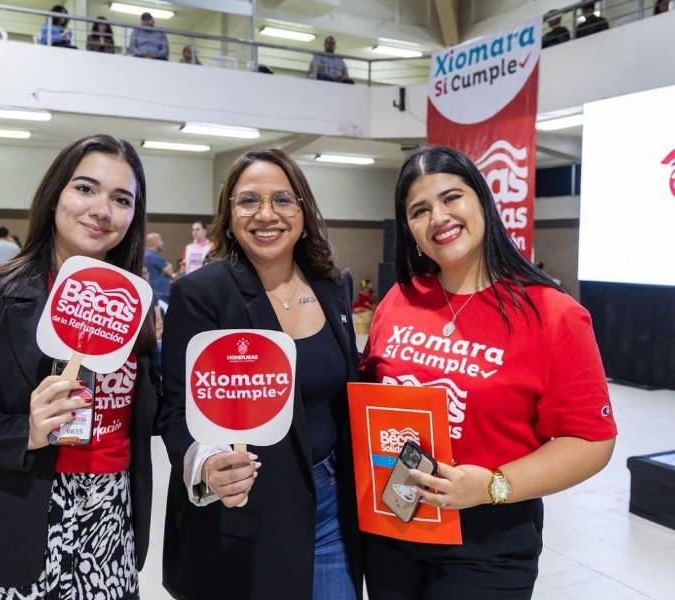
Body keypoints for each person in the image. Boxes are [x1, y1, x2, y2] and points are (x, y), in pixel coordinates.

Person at [0, 134, 159, 598]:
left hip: (107, 527)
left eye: (121, 199)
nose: (101, 209)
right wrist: (25, 432)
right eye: (85, 188)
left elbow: (154, 414)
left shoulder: (135, 309)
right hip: (2, 525)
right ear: (55, 193)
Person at [359, 145, 617, 600]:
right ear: (410, 229)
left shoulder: (553, 314)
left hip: (487, 538)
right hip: (394, 526)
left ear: (482, 200)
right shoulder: (399, 301)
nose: (438, 217)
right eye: (420, 210)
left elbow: (592, 440)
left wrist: (493, 486)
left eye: (451, 197)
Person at [158, 149, 362, 600]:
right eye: (248, 201)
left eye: (282, 200)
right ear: (229, 218)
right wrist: (208, 464)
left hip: (332, 505)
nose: (266, 214)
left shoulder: (332, 285)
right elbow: (175, 410)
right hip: (249, 506)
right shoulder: (200, 294)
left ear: (304, 213)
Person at [144, 232, 173, 303]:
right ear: (154, 242)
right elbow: (170, 271)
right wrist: (168, 266)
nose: (162, 243)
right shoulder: (152, 255)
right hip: (160, 294)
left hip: (157, 292)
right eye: (160, 240)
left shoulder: (147, 254)